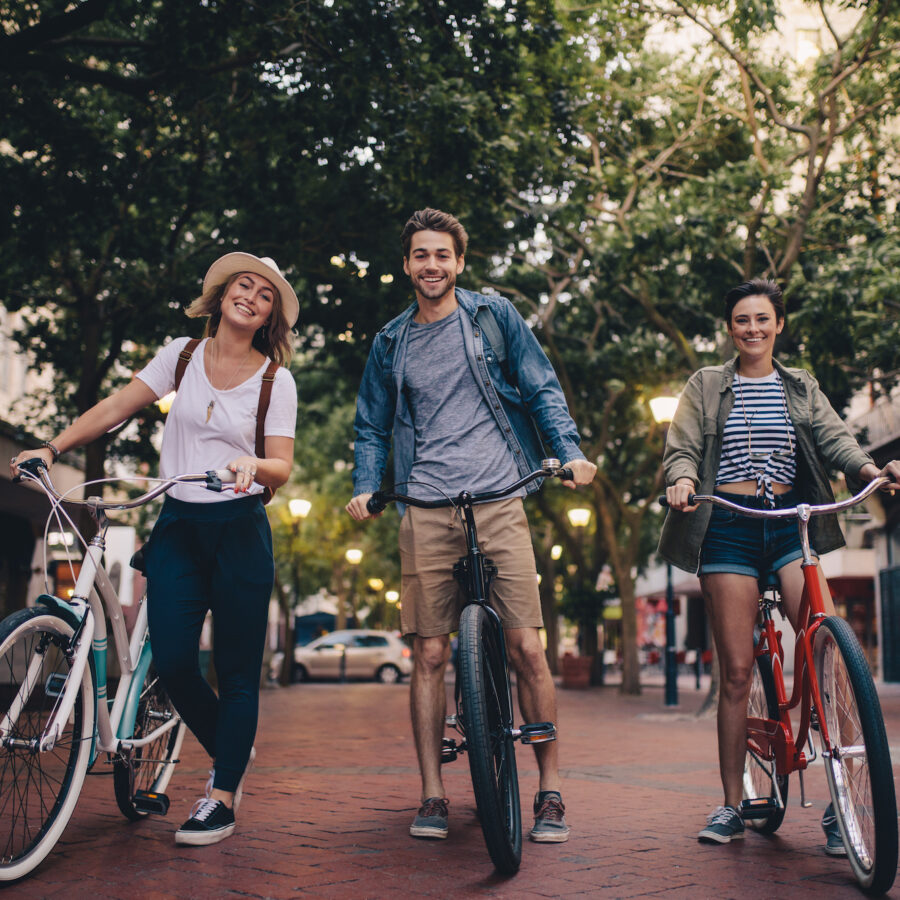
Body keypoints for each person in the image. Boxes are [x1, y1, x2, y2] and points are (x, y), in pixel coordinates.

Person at [11, 253, 299, 846]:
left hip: (239, 529)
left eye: (264, 295)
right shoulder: (183, 355)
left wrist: (252, 464)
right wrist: (51, 445)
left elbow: (282, 466)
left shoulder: (276, 379)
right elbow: (119, 405)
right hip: (177, 526)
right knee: (171, 662)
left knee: (238, 673)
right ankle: (233, 753)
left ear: (271, 315)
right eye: (242, 285)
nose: (250, 296)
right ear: (221, 294)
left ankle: (222, 795)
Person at [346, 208, 597, 844]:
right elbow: (372, 425)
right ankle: (432, 793)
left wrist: (567, 452)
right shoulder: (390, 341)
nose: (432, 265)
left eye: (443, 255)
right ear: (406, 265)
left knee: (527, 647)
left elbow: (540, 388)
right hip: (425, 505)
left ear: (459, 262)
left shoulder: (493, 316)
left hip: (499, 495)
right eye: (420, 255)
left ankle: (549, 790)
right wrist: (365, 487)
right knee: (429, 652)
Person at [658, 278, 900, 850]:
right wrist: (683, 479)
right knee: (738, 670)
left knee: (827, 650)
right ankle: (730, 803)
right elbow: (684, 446)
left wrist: (870, 473)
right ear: (730, 327)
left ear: (778, 325)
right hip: (728, 530)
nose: (753, 329)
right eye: (742, 320)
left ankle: (841, 802)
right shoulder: (706, 384)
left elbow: (836, 439)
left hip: (791, 524)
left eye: (762, 319)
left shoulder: (801, 386)